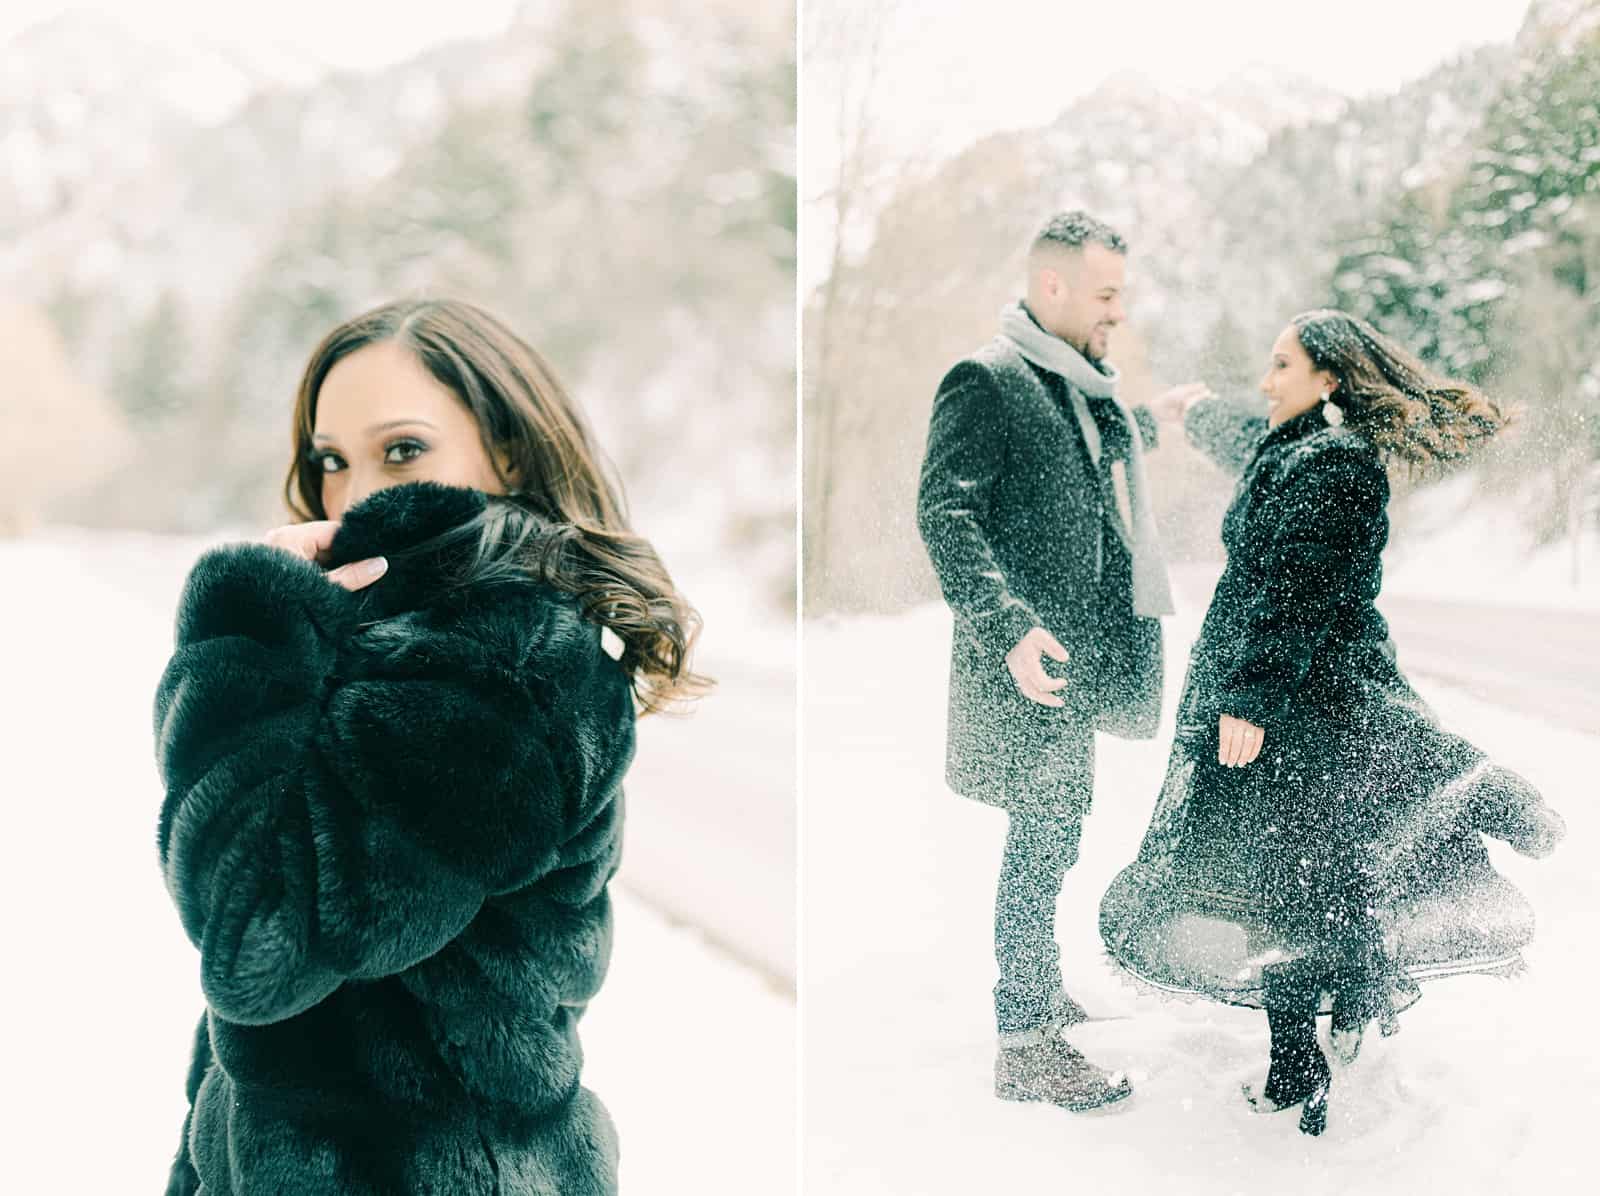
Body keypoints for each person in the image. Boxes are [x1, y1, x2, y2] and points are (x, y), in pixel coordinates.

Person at [155, 298, 707, 1194]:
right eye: (332, 460)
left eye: (402, 450)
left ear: (510, 451)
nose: (357, 495)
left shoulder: (505, 664)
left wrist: (241, 633)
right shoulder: (381, 640)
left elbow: (258, 945)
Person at [1101, 308, 1565, 1137]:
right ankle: (1334, 1019)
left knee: (1296, 879)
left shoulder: (1336, 468)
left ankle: (1303, 1060)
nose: (1267, 379)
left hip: (1306, 705)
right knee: (1312, 872)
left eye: (1282, 365)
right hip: (1295, 698)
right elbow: (1248, 429)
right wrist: (1191, 411)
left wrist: (1251, 700)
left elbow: (1300, 593)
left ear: (1328, 381)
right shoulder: (1295, 446)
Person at [916, 210, 1211, 1112]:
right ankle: (1025, 1044)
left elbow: (1089, 463)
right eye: (1106, 293)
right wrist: (1008, 629)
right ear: (1053, 288)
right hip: (1028, 667)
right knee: (1039, 842)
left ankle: (1038, 991)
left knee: (1057, 834)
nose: (1120, 311)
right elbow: (945, 515)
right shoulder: (989, 379)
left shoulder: (1081, 388)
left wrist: (1148, 420)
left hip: (1074, 668)